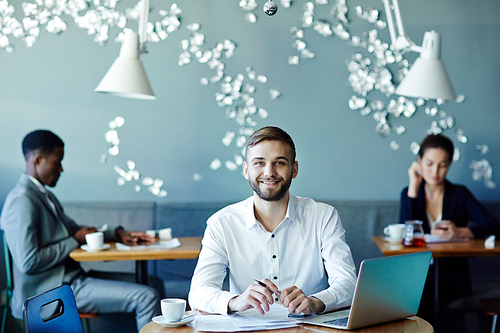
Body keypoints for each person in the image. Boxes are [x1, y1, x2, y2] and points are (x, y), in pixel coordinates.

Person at [0, 129, 161, 332]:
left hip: (71, 279)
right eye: (57, 162)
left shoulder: (45, 196)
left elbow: (76, 230)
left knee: (153, 283)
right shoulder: (21, 200)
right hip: (50, 292)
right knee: (147, 297)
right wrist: (73, 240)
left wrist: (118, 233)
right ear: (38, 160)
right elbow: (28, 262)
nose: (61, 169)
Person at [188, 126, 357, 316]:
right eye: (259, 163)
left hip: (309, 328)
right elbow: (199, 293)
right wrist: (236, 301)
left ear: (294, 169)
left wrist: (316, 302)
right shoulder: (221, 223)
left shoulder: (324, 217)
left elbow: (349, 284)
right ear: (246, 170)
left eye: (279, 163)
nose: (269, 172)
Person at [399, 133, 500, 320]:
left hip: (453, 276)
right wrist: (413, 186)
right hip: (417, 276)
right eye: (429, 164)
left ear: (449, 165)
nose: (435, 171)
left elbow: (495, 227)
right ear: (419, 161)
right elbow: (405, 235)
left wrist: (461, 231)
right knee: (415, 297)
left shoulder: (459, 194)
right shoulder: (409, 193)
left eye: (443, 165)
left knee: (431, 303)